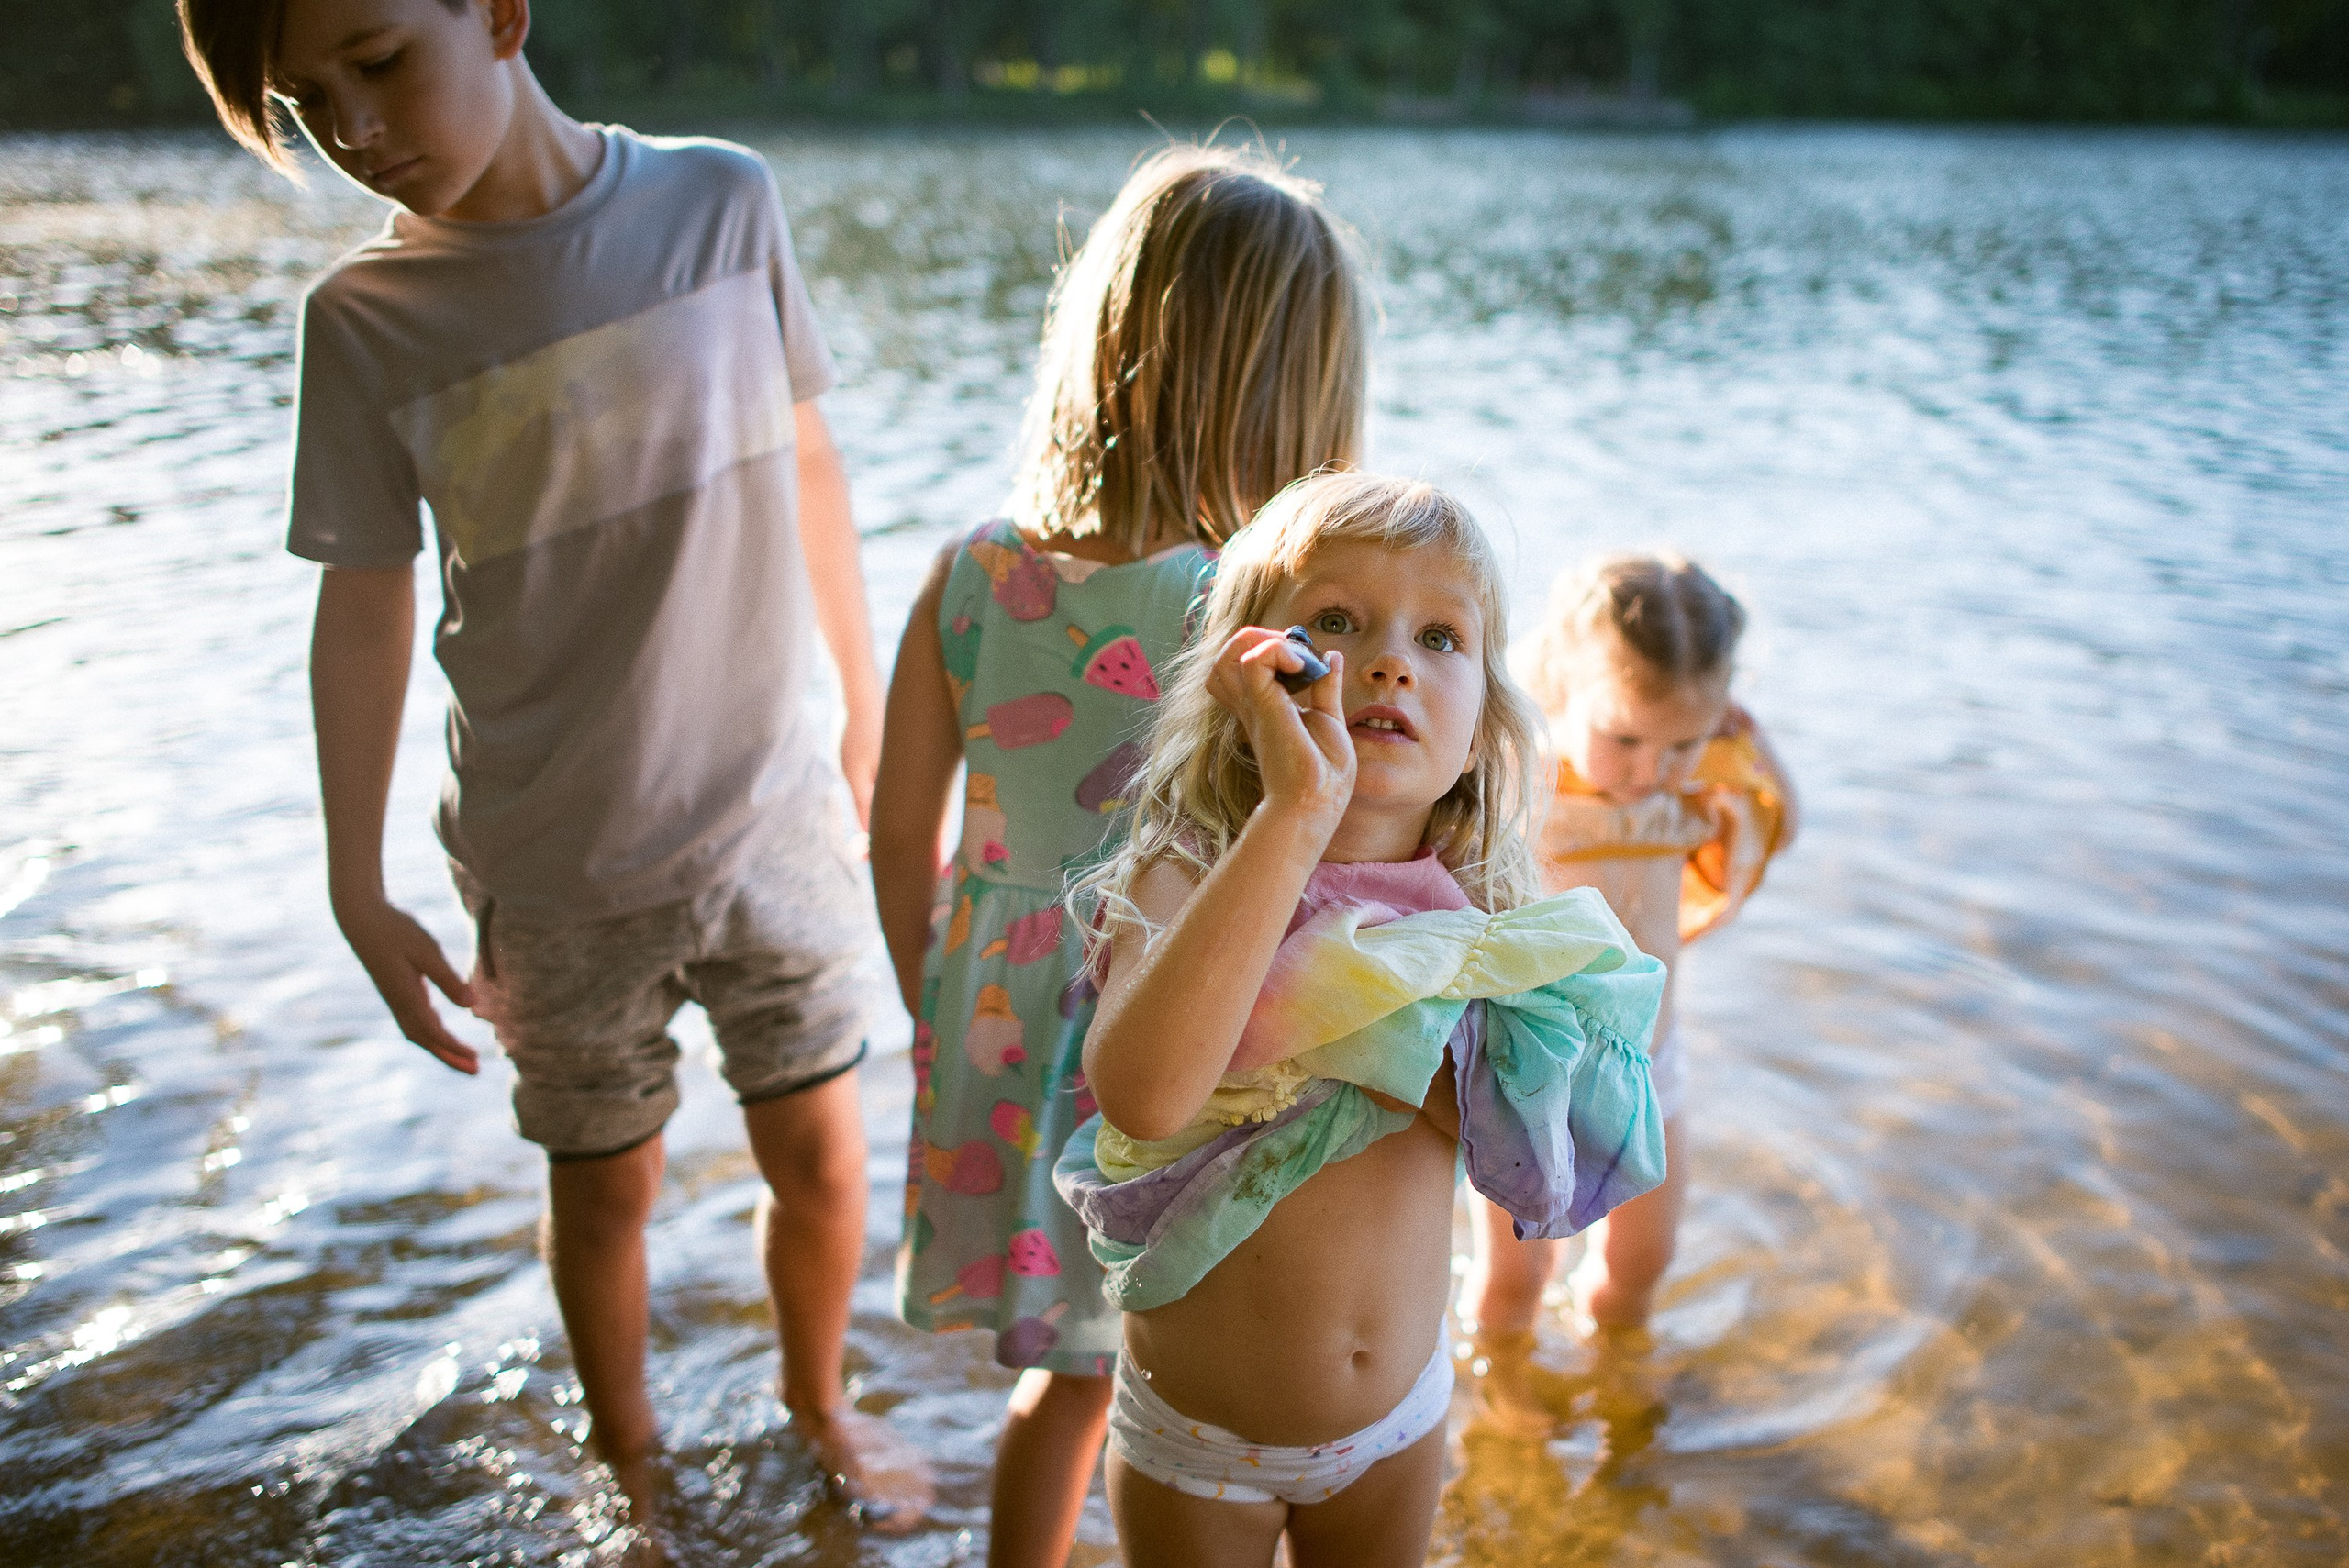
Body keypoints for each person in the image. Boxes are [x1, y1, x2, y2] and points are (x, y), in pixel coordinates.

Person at [175, 0, 929, 1528]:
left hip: (770, 817)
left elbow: (812, 463)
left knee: (826, 1158)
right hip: (554, 860)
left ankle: (821, 1399)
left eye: (378, 62)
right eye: (310, 106)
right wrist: (350, 879)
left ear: (501, 11)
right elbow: (365, 600)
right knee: (607, 1190)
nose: (359, 127)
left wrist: (860, 716)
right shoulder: (370, 320)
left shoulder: (719, 206)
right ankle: (632, 1468)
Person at [868, 142, 1369, 1567]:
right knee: (1201, 1366)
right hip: (1171, 1025)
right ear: (1299, 389)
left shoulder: (969, 572)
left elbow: (900, 832)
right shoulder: (1250, 613)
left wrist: (940, 1003)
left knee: (1074, 1372)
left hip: (996, 1006)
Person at [1053, 473, 1670, 1568]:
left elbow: (1549, 1159)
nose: (1388, 661)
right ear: (1249, 677)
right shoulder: (1183, 874)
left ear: (1482, 727)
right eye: (1334, 622)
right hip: (1202, 1441)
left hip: (1399, 1426)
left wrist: (1393, 1031)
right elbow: (1146, 1093)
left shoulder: (1481, 916)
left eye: (1441, 637)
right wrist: (1299, 811)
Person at [1461, 552, 1798, 1368]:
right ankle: (1505, 1402)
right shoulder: (1528, 779)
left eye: (1686, 741)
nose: (1653, 769)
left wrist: (1751, 746)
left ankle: (1617, 1377)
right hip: (1532, 1072)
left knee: (1642, 1262)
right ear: (1563, 691)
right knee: (1517, 1277)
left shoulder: (1687, 790)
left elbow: (1777, 822)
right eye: (1625, 738)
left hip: (1652, 1064)